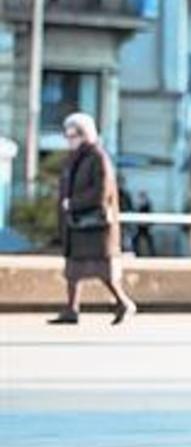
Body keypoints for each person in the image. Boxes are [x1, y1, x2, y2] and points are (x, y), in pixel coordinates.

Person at [50, 112, 137, 325]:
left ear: (85, 134)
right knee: (73, 270)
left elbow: (101, 192)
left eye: (74, 134)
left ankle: (123, 303)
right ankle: (72, 309)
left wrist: (73, 203)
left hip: (94, 227)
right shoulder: (76, 159)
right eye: (68, 134)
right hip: (78, 225)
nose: (69, 139)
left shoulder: (97, 157)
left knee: (102, 271)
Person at [131, 191, 155, 257]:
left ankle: (151, 255)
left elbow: (150, 220)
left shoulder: (147, 207)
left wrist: (145, 224)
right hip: (140, 229)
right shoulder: (139, 208)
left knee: (147, 242)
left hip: (145, 229)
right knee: (136, 240)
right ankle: (137, 253)